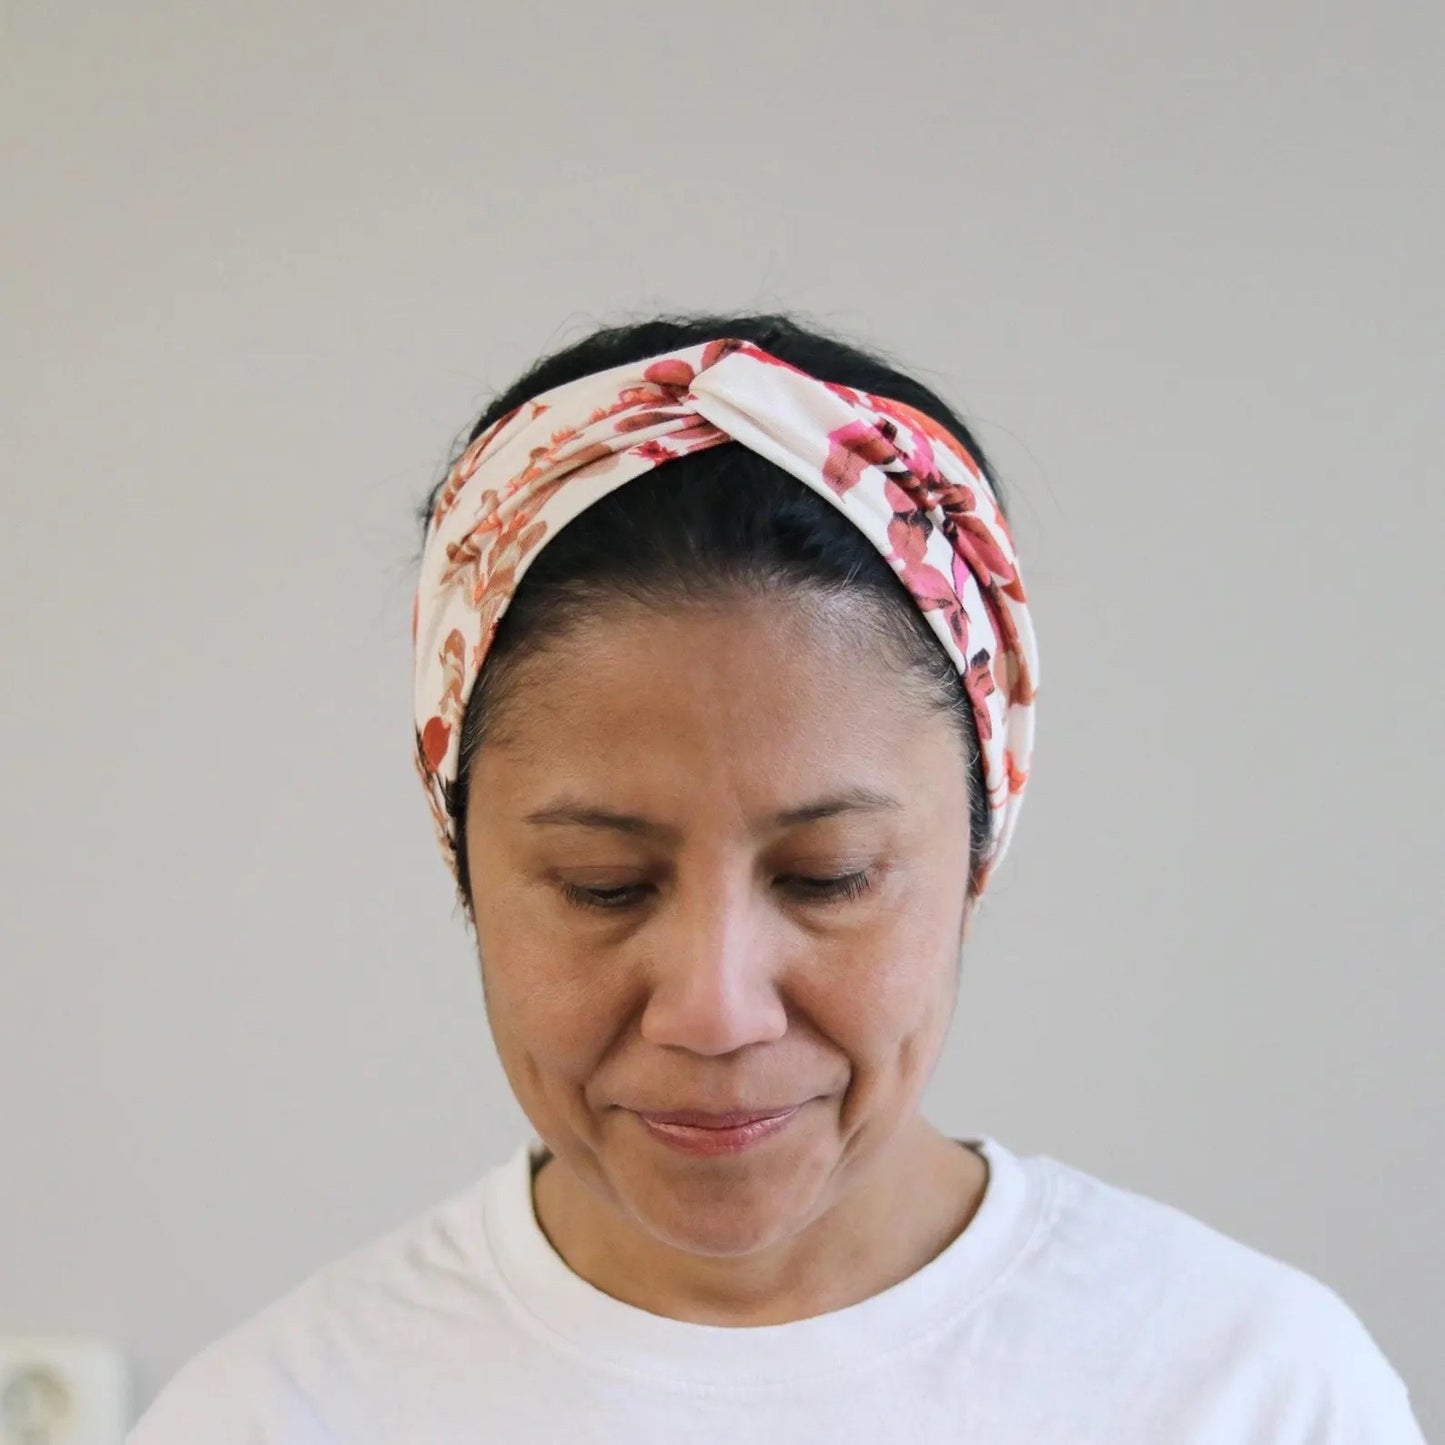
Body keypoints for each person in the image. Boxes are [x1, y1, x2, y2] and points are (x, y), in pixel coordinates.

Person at [128, 312, 1426, 1442]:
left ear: (978, 847)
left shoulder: (1247, 1394)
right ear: (461, 854)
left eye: (827, 874)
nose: (714, 1007)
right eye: (600, 883)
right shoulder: (273, 1417)